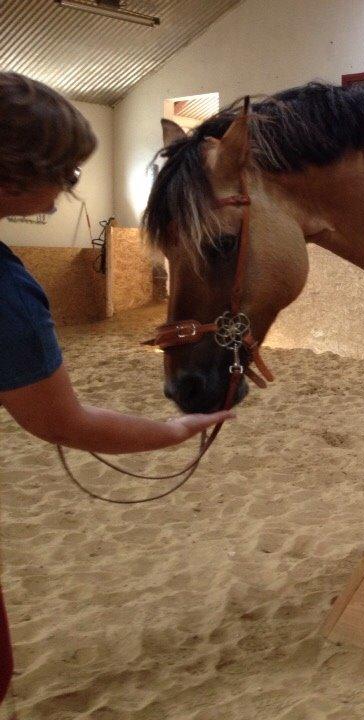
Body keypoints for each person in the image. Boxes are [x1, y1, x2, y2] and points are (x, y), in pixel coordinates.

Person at [0, 72, 232, 704]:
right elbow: (64, 423)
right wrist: (173, 431)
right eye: (66, 172)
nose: (71, 187)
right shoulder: (9, 294)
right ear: (17, 172)